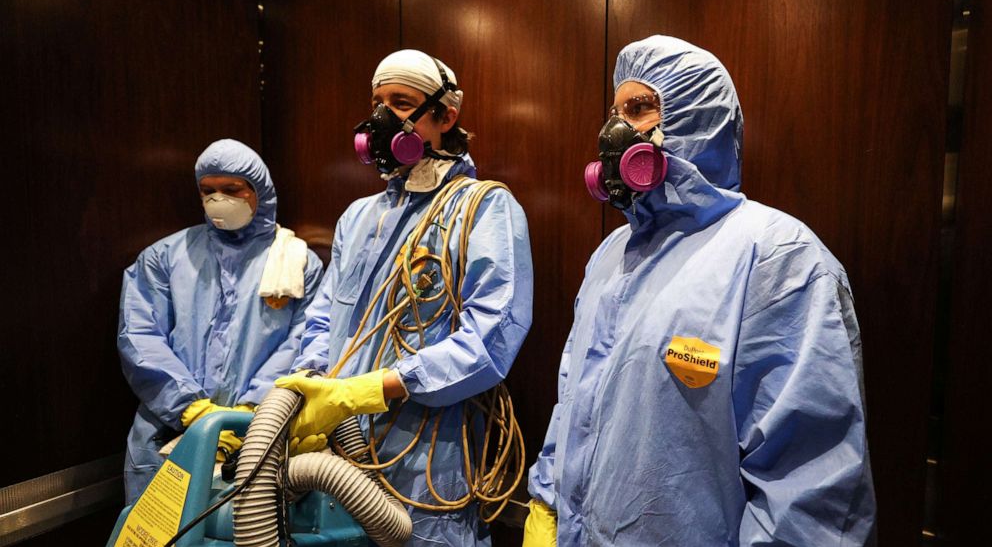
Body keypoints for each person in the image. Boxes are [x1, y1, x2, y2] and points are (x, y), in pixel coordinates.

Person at [523, 36, 876, 546]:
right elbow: (575, 400)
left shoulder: (778, 257)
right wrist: (547, 502)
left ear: (695, 121)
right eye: (615, 111)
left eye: (640, 109)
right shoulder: (610, 256)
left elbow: (809, 487)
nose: (613, 132)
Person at [275, 50, 533, 546]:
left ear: (445, 115)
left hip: (427, 471)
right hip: (340, 457)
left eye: (401, 102)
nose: (382, 115)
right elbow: (324, 320)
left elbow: (491, 341)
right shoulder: (358, 217)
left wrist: (371, 389)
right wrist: (313, 389)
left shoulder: (485, 210)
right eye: (377, 100)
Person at [118, 139, 323, 504]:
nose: (218, 199)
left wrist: (253, 410)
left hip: (259, 434)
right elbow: (139, 337)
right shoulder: (163, 258)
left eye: (231, 190)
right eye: (207, 191)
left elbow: (305, 341)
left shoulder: (297, 263)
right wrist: (190, 408)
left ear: (259, 192)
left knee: (249, 532)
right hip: (167, 431)